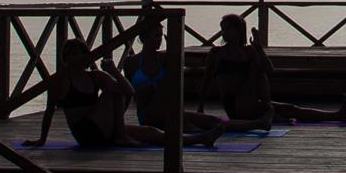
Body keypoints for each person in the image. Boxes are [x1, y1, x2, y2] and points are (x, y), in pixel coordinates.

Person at [37, 38, 219, 148]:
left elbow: (129, 92)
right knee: (112, 92)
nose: (75, 59)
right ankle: (121, 136)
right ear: (65, 58)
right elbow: (49, 112)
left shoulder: (95, 76)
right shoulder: (61, 81)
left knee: (150, 132)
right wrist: (41, 139)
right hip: (86, 133)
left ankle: (201, 138)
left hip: (107, 128)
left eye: (79, 55)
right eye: (71, 55)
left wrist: (114, 71)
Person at [198, 13, 346, 131]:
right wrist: (200, 106)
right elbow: (207, 79)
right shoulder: (217, 53)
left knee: (291, 109)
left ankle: (337, 115)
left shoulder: (249, 51)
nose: (224, 33)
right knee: (257, 69)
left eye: (228, 29)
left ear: (238, 31)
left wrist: (258, 47)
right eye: (223, 29)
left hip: (253, 101)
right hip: (235, 105)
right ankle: (270, 110)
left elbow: (270, 70)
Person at [119, 14, 225, 136]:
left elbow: (177, 80)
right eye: (155, 36)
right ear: (143, 38)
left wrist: (173, 50)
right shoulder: (131, 62)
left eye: (160, 36)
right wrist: (119, 119)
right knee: (162, 88)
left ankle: (251, 124)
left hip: (170, 111)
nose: (159, 39)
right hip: (148, 114)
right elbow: (127, 93)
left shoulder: (163, 58)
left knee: (214, 121)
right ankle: (192, 129)